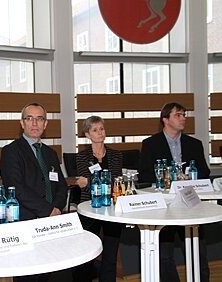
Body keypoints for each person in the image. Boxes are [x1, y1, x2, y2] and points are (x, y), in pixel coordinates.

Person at [138, 102, 210, 282]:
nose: (183, 118)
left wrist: (190, 177)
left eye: (184, 114)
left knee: (198, 253)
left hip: (191, 205)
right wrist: (166, 178)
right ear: (165, 119)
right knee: (164, 256)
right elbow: (144, 174)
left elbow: (205, 172)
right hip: (165, 206)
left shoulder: (194, 144)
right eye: (178, 115)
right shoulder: (150, 144)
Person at [0, 102, 68, 281]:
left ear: (45, 124)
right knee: (29, 275)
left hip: (53, 221)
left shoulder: (51, 153)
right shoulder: (11, 151)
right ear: (22, 123)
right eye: (30, 118)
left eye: (39, 119)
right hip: (26, 221)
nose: (35, 123)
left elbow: (62, 186)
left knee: (52, 271)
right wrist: (47, 210)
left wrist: (57, 209)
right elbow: (16, 188)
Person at [73, 115, 123, 282]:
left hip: (112, 209)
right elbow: (82, 184)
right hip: (89, 207)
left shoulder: (116, 156)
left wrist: (92, 182)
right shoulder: (81, 157)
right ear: (88, 135)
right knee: (86, 254)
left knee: (110, 255)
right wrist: (92, 183)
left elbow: (115, 183)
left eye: (101, 129)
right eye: (95, 130)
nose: (100, 132)